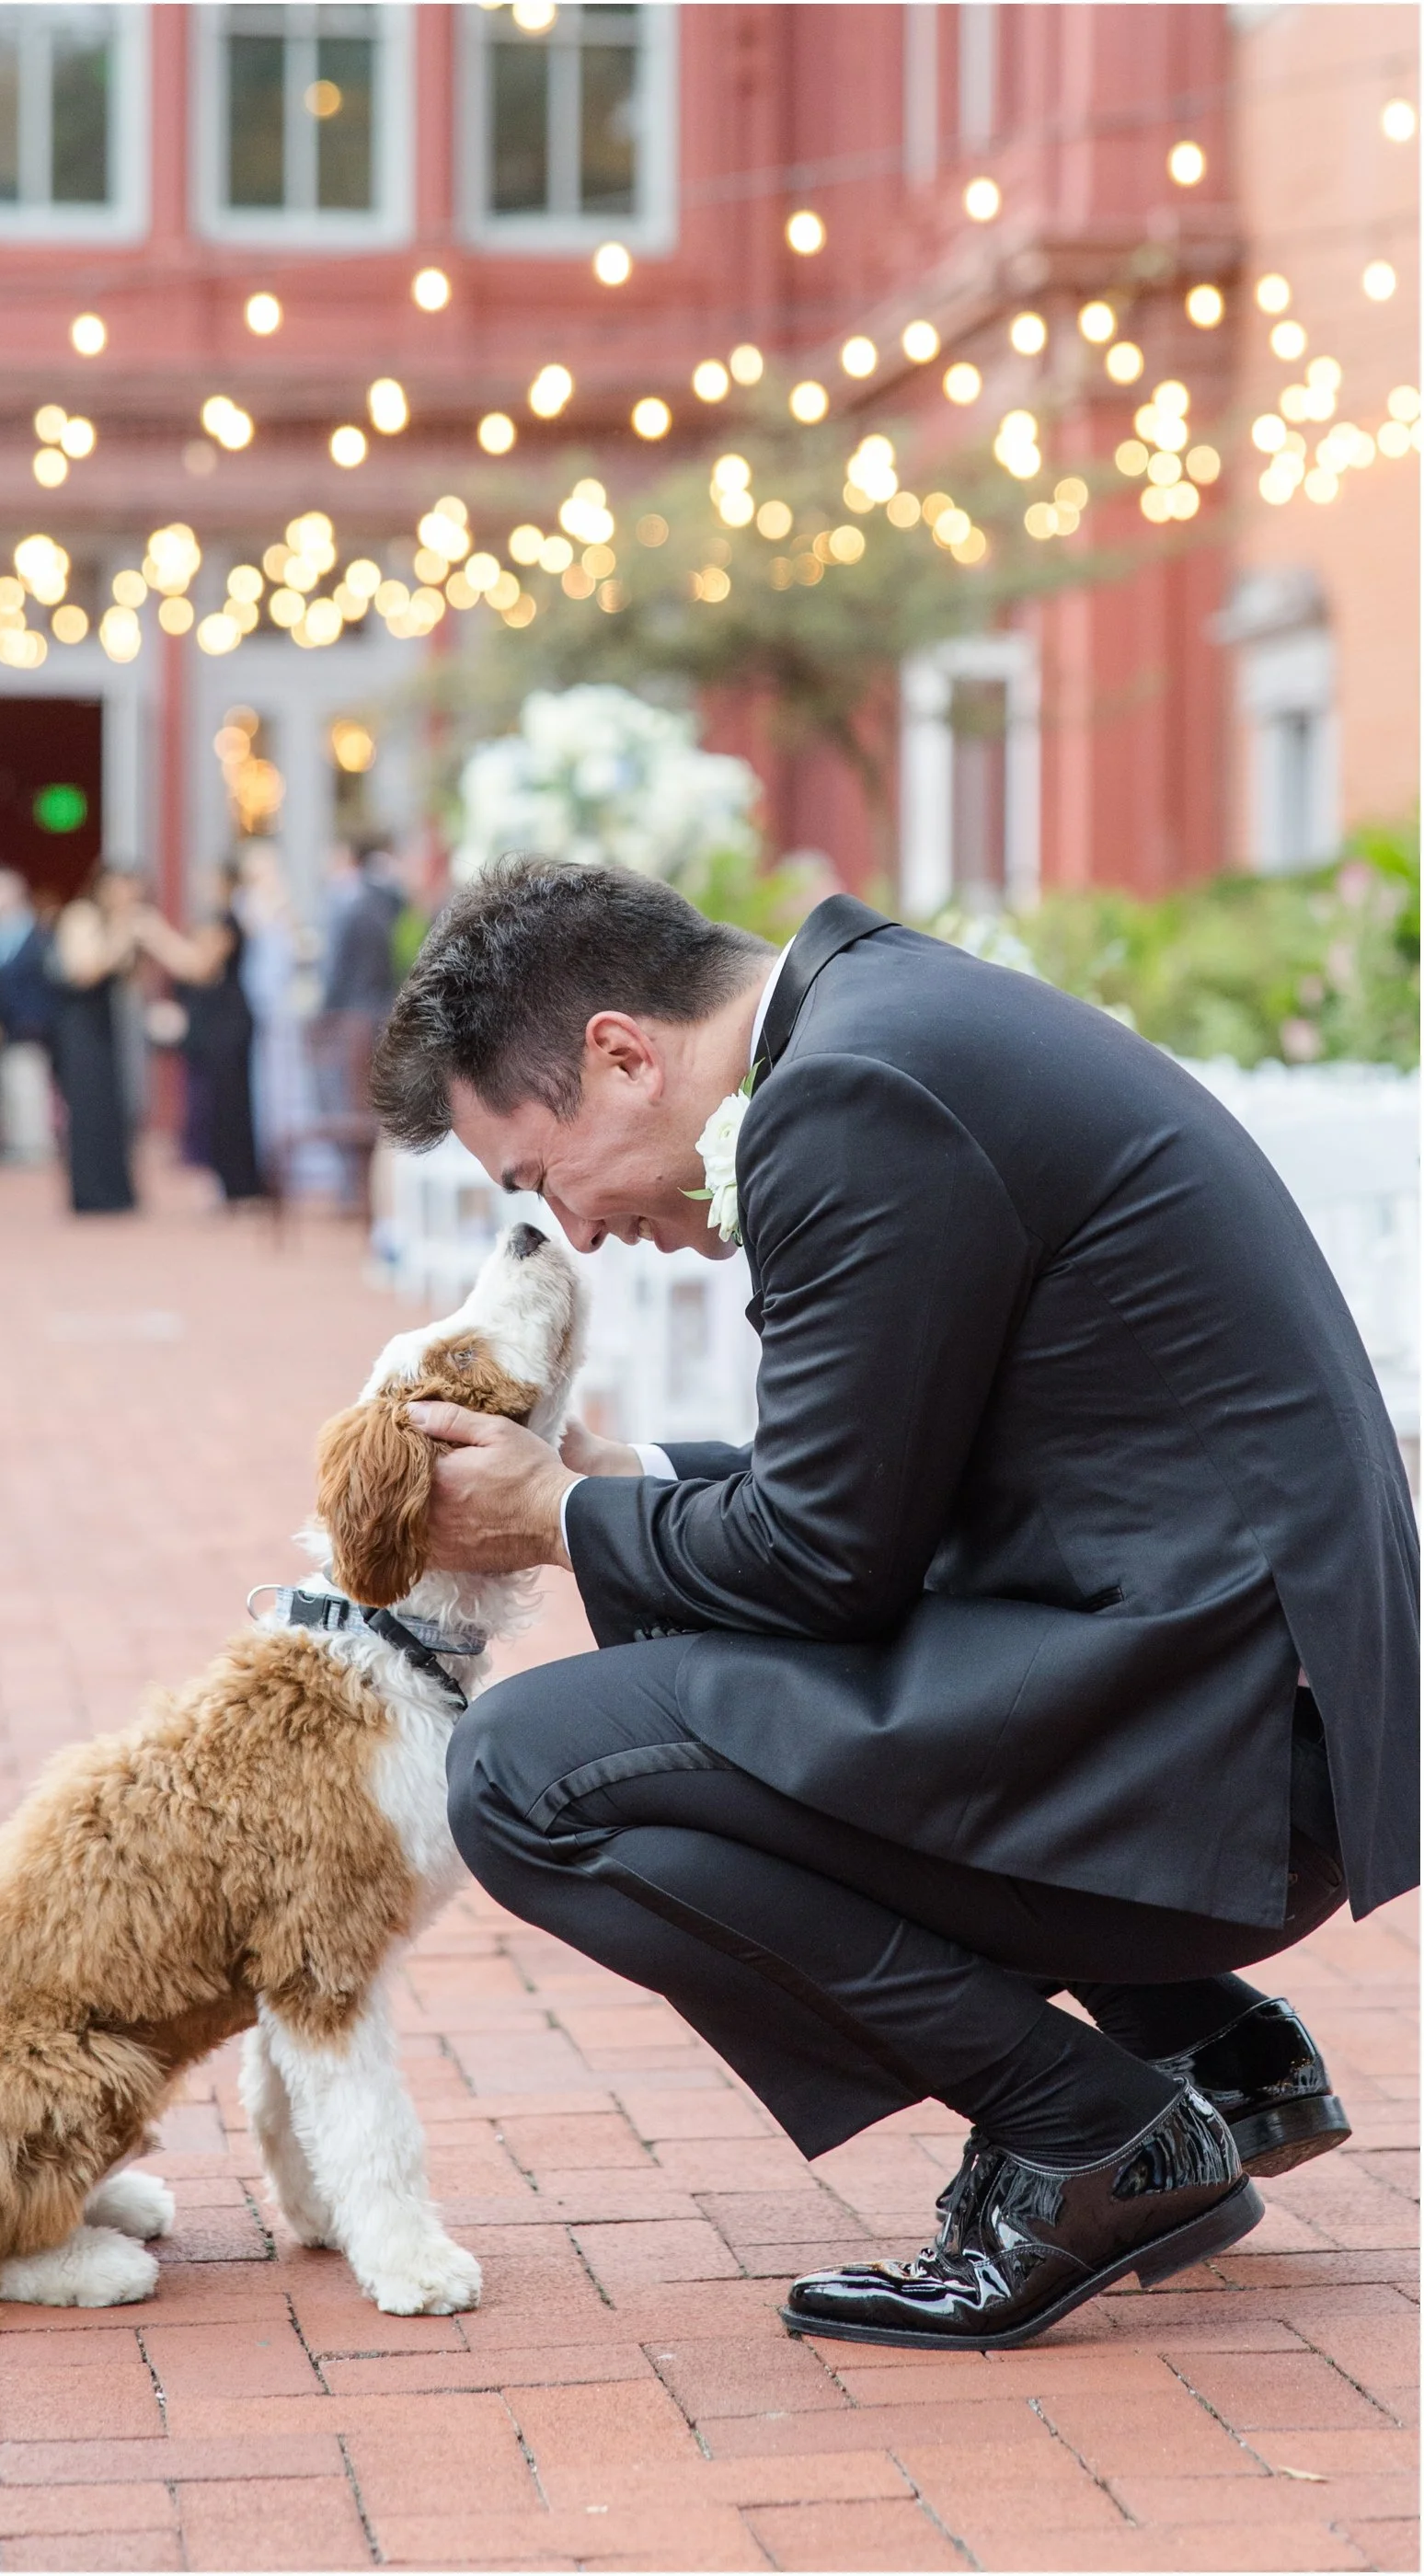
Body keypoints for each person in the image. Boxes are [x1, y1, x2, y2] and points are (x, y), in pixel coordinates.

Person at [367, 859, 1418, 2352]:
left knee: (526, 1777)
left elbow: (816, 1563)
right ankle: (1203, 2037)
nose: (576, 1232)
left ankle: (1088, 2137)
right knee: (671, 1626)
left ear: (619, 1054)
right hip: (1239, 1703)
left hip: (1211, 1747)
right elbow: (886, 1482)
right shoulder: (889, 1026)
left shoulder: (847, 1097)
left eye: (536, 1179)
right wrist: (618, 1483)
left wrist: (553, 1517)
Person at [134, 869, 264, 1207]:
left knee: (230, 1106)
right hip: (217, 1025)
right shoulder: (222, 921)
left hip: (229, 1025)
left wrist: (156, 934)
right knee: (219, 1106)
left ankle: (240, 1184)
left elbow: (198, 965)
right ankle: (230, 1181)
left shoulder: (228, 922)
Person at [313, 836, 403, 1215]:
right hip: (381, 1013)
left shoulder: (352, 906)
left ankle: (354, 1190)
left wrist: (322, 1015)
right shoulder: (389, 903)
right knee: (372, 1109)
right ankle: (361, 1191)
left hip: (351, 1019)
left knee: (345, 1105)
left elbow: (337, 971)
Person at [50, 868, 140, 1214]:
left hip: (107, 1023)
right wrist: (121, 935)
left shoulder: (118, 922)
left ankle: (115, 1189)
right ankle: (90, 1191)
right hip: (80, 1024)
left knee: (110, 1108)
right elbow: (84, 971)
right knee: (87, 1106)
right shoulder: (81, 917)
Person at [235, 841, 308, 1199]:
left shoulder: (283, 904)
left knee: (292, 1086)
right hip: (262, 1009)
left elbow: (297, 948)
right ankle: (272, 1166)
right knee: (269, 1090)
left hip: (285, 1009)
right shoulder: (247, 903)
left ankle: (296, 1168)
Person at [0, 869, 56, 1165]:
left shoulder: (36, 934)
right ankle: (13, 1142)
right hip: (1, 1025)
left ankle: (34, 1145)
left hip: (29, 1024)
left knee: (28, 1084)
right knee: (5, 1086)